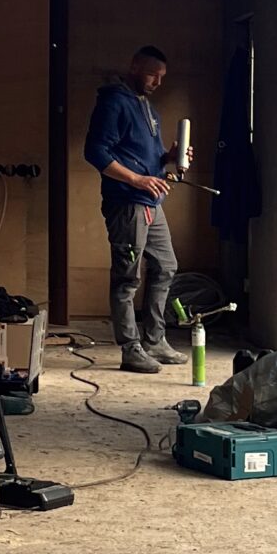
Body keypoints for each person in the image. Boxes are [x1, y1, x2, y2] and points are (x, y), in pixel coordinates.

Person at [84, 46, 184, 373]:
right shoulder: (113, 103)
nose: (157, 82)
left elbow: (145, 155)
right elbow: (95, 152)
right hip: (127, 203)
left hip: (152, 202)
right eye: (152, 74)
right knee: (127, 278)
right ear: (135, 66)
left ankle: (155, 340)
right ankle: (131, 349)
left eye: (162, 77)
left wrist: (169, 157)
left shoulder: (148, 108)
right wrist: (137, 180)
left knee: (166, 266)